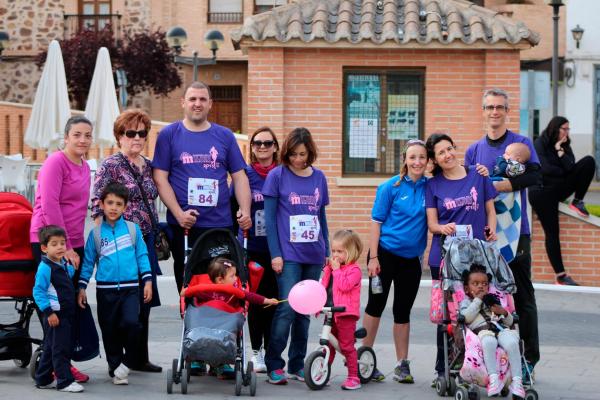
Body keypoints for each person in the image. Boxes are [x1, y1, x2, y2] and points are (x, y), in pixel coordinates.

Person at [464, 88, 541, 377]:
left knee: (523, 296)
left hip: (517, 233)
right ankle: (488, 358)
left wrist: (502, 186)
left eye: (499, 107)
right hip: (485, 233)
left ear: (507, 111)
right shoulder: (473, 150)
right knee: (485, 295)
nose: (494, 112)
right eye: (489, 107)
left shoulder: (521, 143)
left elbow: (536, 176)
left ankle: (529, 359)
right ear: (483, 111)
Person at [152, 81, 252, 294]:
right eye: (192, 99)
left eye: (202, 99)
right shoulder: (169, 134)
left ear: (210, 104)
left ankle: (219, 325)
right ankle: (190, 326)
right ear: (183, 103)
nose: (197, 104)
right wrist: (179, 214)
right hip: (185, 225)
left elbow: (240, 176)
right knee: (188, 287)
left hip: (219, 225)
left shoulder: (224, 136)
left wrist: (245, 209)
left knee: (221, 285)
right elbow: (160, 178)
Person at [91, 109, 162, 372]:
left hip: (146, 240)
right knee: (122, 300)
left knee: (145, 300)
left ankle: (138, 357)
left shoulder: (149, 165)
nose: (137, 137)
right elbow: (97, 205)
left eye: (142, 133)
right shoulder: (111, 165)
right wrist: (105, 246)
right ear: (119, 136)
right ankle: (118, 356)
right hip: (121, 243)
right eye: (130, 132)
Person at [425, 132, 497, 382]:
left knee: (479, 311)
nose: (447, 155)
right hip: (445, 260)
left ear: (455, 148)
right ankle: (442, 370)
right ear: (435, 159)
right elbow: (432, 224)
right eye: (441, 153)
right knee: (447, 316)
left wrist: (491, 229)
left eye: (449, 149)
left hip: (476, 258)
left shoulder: (478, 175)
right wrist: (442, 228)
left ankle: (478, 365)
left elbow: (490, 211)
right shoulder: (432, 185)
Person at [262, 127, 330, 385]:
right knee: (287, 309)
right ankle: (274, 364)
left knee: (306, 312)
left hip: (313, 254)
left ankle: (297, 364)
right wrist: (276, 254)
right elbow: (269, 220)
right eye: (293, 154)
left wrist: (325, 251)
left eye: (302, 154)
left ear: (310, 152)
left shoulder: (319, 178)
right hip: (288, 255)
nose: (298, 159)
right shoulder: (277, 176)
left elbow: (320, 216)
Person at [29, 115, 93, 384]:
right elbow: (50, 204)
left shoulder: (85, 166)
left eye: (87, 135)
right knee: (55, 307)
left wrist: (77, 245)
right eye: (77, 134)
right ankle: (54, 366)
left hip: (74, 242)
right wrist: (64, 247)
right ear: (66, 137)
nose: (83, 140)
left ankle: (60, 362)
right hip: (52, 243)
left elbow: (81, 208)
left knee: (70, 308)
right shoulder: (56, 162)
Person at [362, 139, 429, 383]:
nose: (417, 162)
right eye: (412, 157)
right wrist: (373, 257)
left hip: (411, 261)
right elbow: (376, 223)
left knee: (403, 311)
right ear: (405, 160)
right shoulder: (389, 187)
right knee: (375, 306)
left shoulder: (430, 188)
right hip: (385, 256)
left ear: (427, 161)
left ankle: (402, 365)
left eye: (422, 157)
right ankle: (364, 360)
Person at [78, 182, 153, 386]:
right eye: (109, 203)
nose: (113, 207)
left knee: (132, 324)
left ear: (125, 207)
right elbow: (87, 262)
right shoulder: (95, 234)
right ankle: (115, 367)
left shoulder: (133, 229)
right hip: (105, 291)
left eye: (118, 204)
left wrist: (147, 281)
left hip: (130, 289)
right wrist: (82, 287)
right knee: (109, 330)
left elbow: (142, 256)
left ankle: (127, 362)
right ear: (101, 204)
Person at [180, 257, 278, 379]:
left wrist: (267, 300)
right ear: (220, 279)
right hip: (204, 323)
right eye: (232, 276)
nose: (236, 278)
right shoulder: (204, 289)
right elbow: (187, 295)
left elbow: (250, 296)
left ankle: (221, 363)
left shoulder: (232, 290)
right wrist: (185, 292)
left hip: (224, 326)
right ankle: (198, 359)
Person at [529, 116, 596, 286]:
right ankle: (561, 276)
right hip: (542, 192)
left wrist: (560, 151)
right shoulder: (539, 144)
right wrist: (563, 169)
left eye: (568, 129)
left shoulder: (564, 146)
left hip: (557, 189)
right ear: (555, 128)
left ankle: (577, 201)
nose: (567, 132)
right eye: (564, 129)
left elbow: (572, 167)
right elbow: (544, 169)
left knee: (588, 162)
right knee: (552, 232)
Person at [238, 127, 280, 373]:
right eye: (257, 143)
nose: (262, 147)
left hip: (277, 250)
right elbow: (235, 206)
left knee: (273, 301)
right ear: (252, 147)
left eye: (267, 143)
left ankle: (271, 350)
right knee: (255, 300)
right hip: (252, 247)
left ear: (275, 146)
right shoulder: (245, 175)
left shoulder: (283, 174)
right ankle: (256, 351)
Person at [460, 264, 525, 399]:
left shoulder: (494, 300)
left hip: (501, 329)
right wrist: (478, 300)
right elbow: (466, 317)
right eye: (475, 284)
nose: (480, 287)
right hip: (482, 332)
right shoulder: (467, 302)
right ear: (467, 288)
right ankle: (493, 379)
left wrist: (504, 313)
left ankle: (517, 382)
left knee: (513, 343)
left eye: (484, 284)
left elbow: (510, 322)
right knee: (489, 342)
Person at [32, 225, 84, 393]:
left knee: (50, 347)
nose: (60, 247)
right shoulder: (45, 267)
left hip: (65, 314)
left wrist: (71, 269)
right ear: (44, 248)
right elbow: (38, 292)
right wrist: (49, 313)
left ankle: (44, 378)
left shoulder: (60, 263)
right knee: (61, 349)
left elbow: (62, 283)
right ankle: (64, 381)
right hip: (55, 315)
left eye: (63, 243)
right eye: (55, 244)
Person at [320, 230, 363, 390]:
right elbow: (324, 286)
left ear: (350, 252)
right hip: (330, 311)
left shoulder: (355, 270)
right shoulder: (331, 268)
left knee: (346, 346)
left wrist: (337, 270)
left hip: (346, 313)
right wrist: (318, 305)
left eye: (340, 251)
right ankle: (324, 372)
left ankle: (354, 377)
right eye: (333, 251)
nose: (335, 255)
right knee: (328, 345)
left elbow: (344, 286)